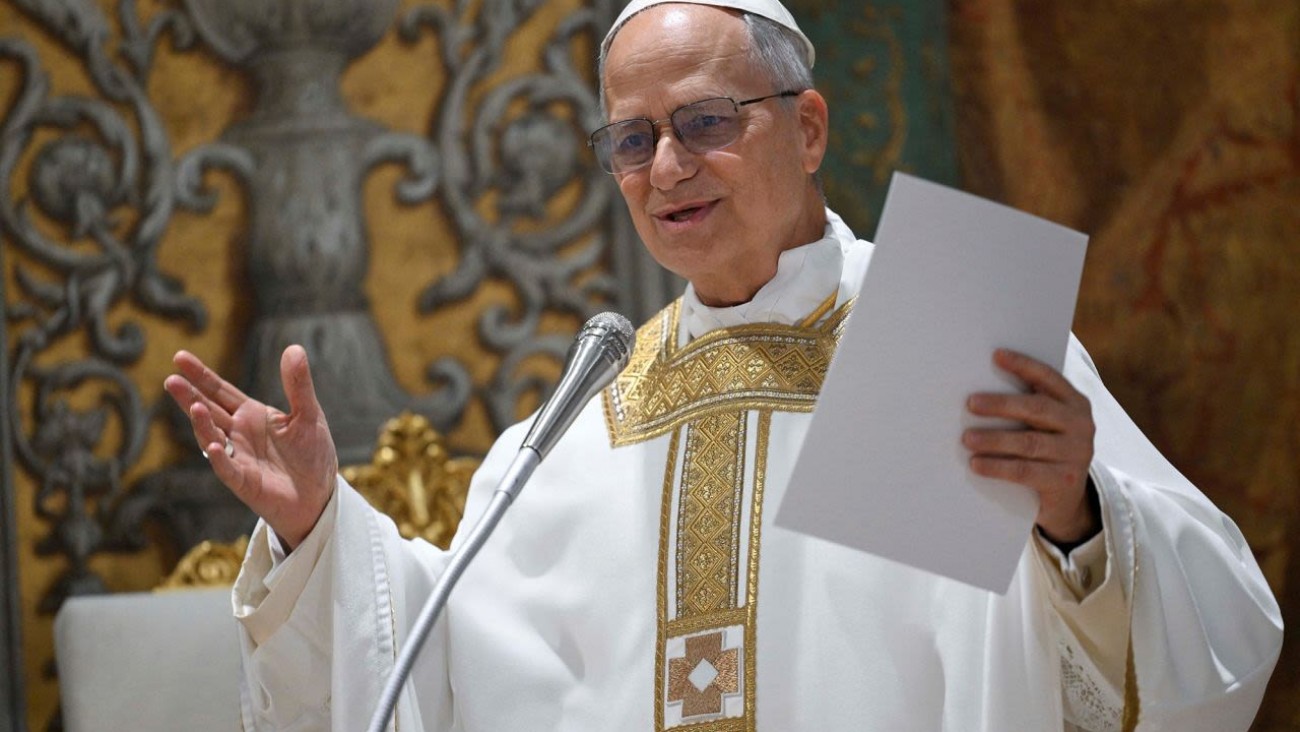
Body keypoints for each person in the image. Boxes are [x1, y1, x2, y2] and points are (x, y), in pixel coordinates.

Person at [164, 1, 1282, 729]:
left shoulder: (952, 336)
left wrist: (1073, 517)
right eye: (633, 139)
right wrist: (319, 528)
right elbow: (442, 671)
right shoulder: (587, 415)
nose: (666, 168)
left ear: (805, 129)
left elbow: (1219, 627)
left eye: (703, 121)